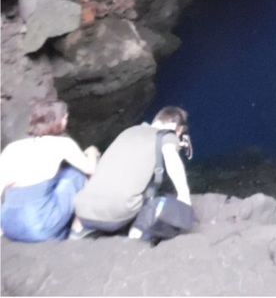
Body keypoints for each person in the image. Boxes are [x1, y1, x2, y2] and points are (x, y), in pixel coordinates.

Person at [73, 107, 191, 238]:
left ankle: (75, 233)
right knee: (162, 200)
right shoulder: (167, 135)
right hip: (116, 215)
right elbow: (171, 159)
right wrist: (184, 195)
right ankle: (137, 233)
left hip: (82, 212)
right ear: (178, 129)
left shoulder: (129, 131)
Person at [0, 100, 98, 242]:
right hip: (39, 226)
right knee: (76, 174)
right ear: (59, 121)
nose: (66, 120)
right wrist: (92, 153)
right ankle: (78, 228)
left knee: (57, 178)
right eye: (65, 117)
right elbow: (91, 170)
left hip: (8, 224)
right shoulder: (63, 144)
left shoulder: (12, 148)